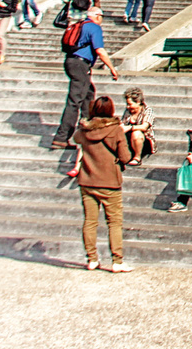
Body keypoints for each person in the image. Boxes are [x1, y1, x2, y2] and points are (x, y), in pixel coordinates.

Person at [75, 94, 132, 272]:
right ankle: (117, 261)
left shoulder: (85, 130)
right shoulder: (115, 131)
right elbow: (125, 157)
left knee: (90, 221)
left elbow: (76, 139)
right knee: (114, 222)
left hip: (87, 180)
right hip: (110, 182)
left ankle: (91, 258)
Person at [51, 6, 118, 150]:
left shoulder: (81, 25)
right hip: (80, 64)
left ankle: (90, 130)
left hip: (71, 61)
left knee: (88, 95)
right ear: (98, 16)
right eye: (102, 16)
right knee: (75, 101)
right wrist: (112, 68)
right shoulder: (94, 28)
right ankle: (61, 137)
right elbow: (99, 50)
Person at [121, 87, 156, 165]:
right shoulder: (128, 111)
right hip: (129, 139)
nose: (127, 107)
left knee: (136, 133)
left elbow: (144, 127)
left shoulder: (147, 110)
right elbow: (122, 123)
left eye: (130, 104)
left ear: (138, 102)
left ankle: (137, 157)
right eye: (127, 104)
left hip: (144, 140)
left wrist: (129, 128)